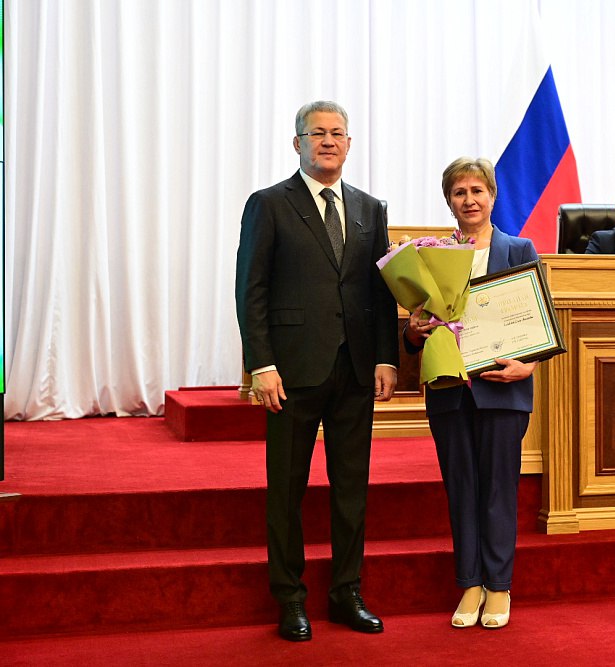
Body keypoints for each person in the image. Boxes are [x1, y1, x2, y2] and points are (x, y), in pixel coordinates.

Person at [235, 100, 399, 642]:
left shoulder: (370, 208)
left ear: (349, 144)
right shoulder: (269, 204)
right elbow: (250, 290)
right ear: (297, 143)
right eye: (317, 133)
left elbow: (380, 293)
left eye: (337, 133)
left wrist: (385, 357)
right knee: (287, 487)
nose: (328, 141)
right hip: (291, 371)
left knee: (351, 487)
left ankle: (346, 591)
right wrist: (261, 363)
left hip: (354, 370)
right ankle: (290, 596)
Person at [403, 157, 537, 630]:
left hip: (503, 390)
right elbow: (417, 328)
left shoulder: (519, 248)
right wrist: (414, 333)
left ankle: (499, 586)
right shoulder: (430, 255)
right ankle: (470, 584)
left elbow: (538, 319)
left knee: (498, 491)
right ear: (448, 200)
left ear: (493, 196)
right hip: (449, 391)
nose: (469, 200)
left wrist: (528, 363)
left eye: (477, 191)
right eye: (460, 192)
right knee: (461, 489)